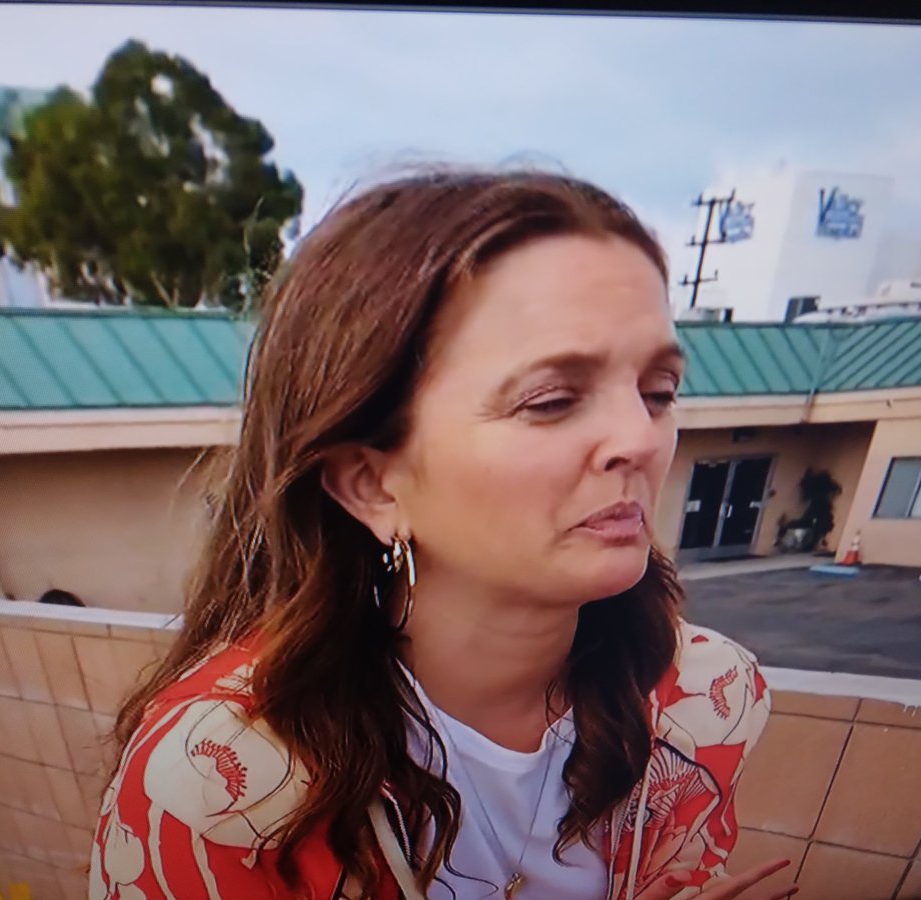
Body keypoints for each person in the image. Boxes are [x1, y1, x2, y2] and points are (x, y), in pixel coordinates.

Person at [91, 169, 795, 900]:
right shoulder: (220, 782)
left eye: (659, 392)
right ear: (372, 483)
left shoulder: (705, 701)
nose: (639, 439)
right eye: (551, 400)